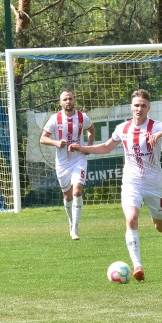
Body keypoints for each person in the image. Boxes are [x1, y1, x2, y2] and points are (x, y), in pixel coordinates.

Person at [71, 89, 162, 282]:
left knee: (159, 224)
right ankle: (137, 266)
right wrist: (83, 148)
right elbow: (106, 147)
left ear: (149, 108)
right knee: (131, 219)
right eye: (136, 105)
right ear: (131, 107)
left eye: (143, 105)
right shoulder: (122, 128)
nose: (139, 109)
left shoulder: (156, 126)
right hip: (131, 183)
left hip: (154, 184)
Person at [40, 89, 95, 240]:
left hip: (79, 159)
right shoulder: (55, 119)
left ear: (74, 100)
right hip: (63, 162)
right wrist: (56, 142)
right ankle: (71, 222)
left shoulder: (82, 117)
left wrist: (88, 147)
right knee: (68, 196)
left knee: (77, 191)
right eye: (65, 99)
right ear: (60, 102)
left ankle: (75, 228)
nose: (68, 102)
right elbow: (43, 139)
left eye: (70, 98)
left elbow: (91, 130)